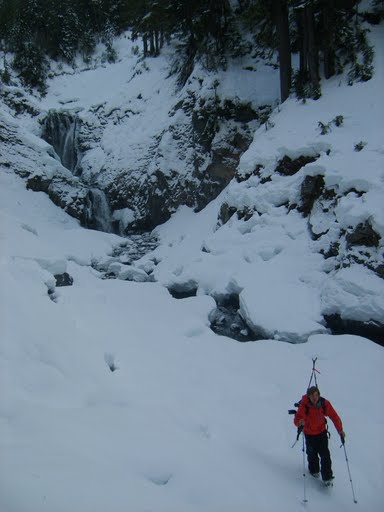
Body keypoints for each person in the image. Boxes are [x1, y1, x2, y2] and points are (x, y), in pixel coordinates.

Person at [294, 386, 345, 485]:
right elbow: (298, 418)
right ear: (308, 396)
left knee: (325, 455)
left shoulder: (323, 403)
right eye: (312, 395)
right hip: (309, 434)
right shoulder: (304, 405)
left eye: (316, 395)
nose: (314, 397)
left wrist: (340, 430)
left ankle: (327, 477)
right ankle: (314, 472)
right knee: (312, 455)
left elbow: (334, 416)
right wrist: (299, 422)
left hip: (321, 433)